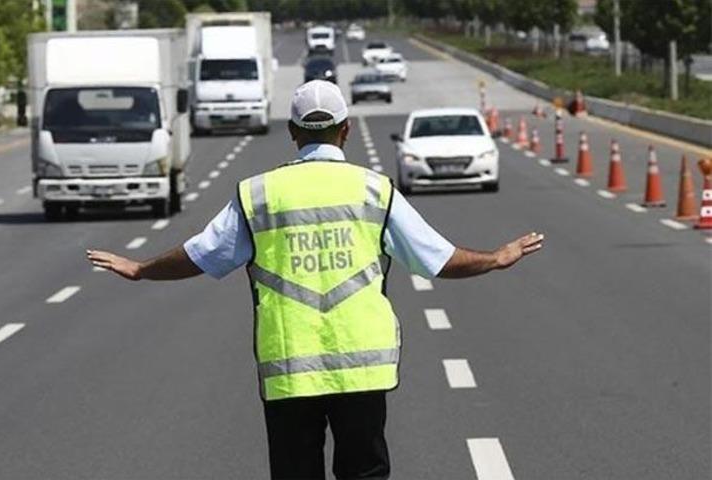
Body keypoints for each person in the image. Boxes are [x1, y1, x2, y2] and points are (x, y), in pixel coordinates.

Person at [87, 80, 544, 480]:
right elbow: (437, 259)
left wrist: (141, 269)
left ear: (292, 133)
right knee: (364, 472)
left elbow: (202, 255)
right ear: (345, 131)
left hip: (290, 368)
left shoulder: (259, 194)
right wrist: (496, 257)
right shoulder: (373, 190)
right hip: (362, 368)